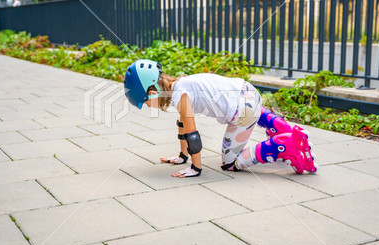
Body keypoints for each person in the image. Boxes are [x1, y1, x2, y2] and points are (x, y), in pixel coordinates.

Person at [124, 59, 317, 178]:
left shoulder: (179, 96)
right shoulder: (180, 85)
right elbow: (182, 124)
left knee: (230, 163)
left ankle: (283, 145)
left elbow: (192, 135)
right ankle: (279, 126)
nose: (149, 106)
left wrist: (195, 168)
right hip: (248, 92)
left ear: (153, 91)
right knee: (250, 110)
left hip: (244, 111)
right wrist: (182, 157)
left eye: (146, 102)